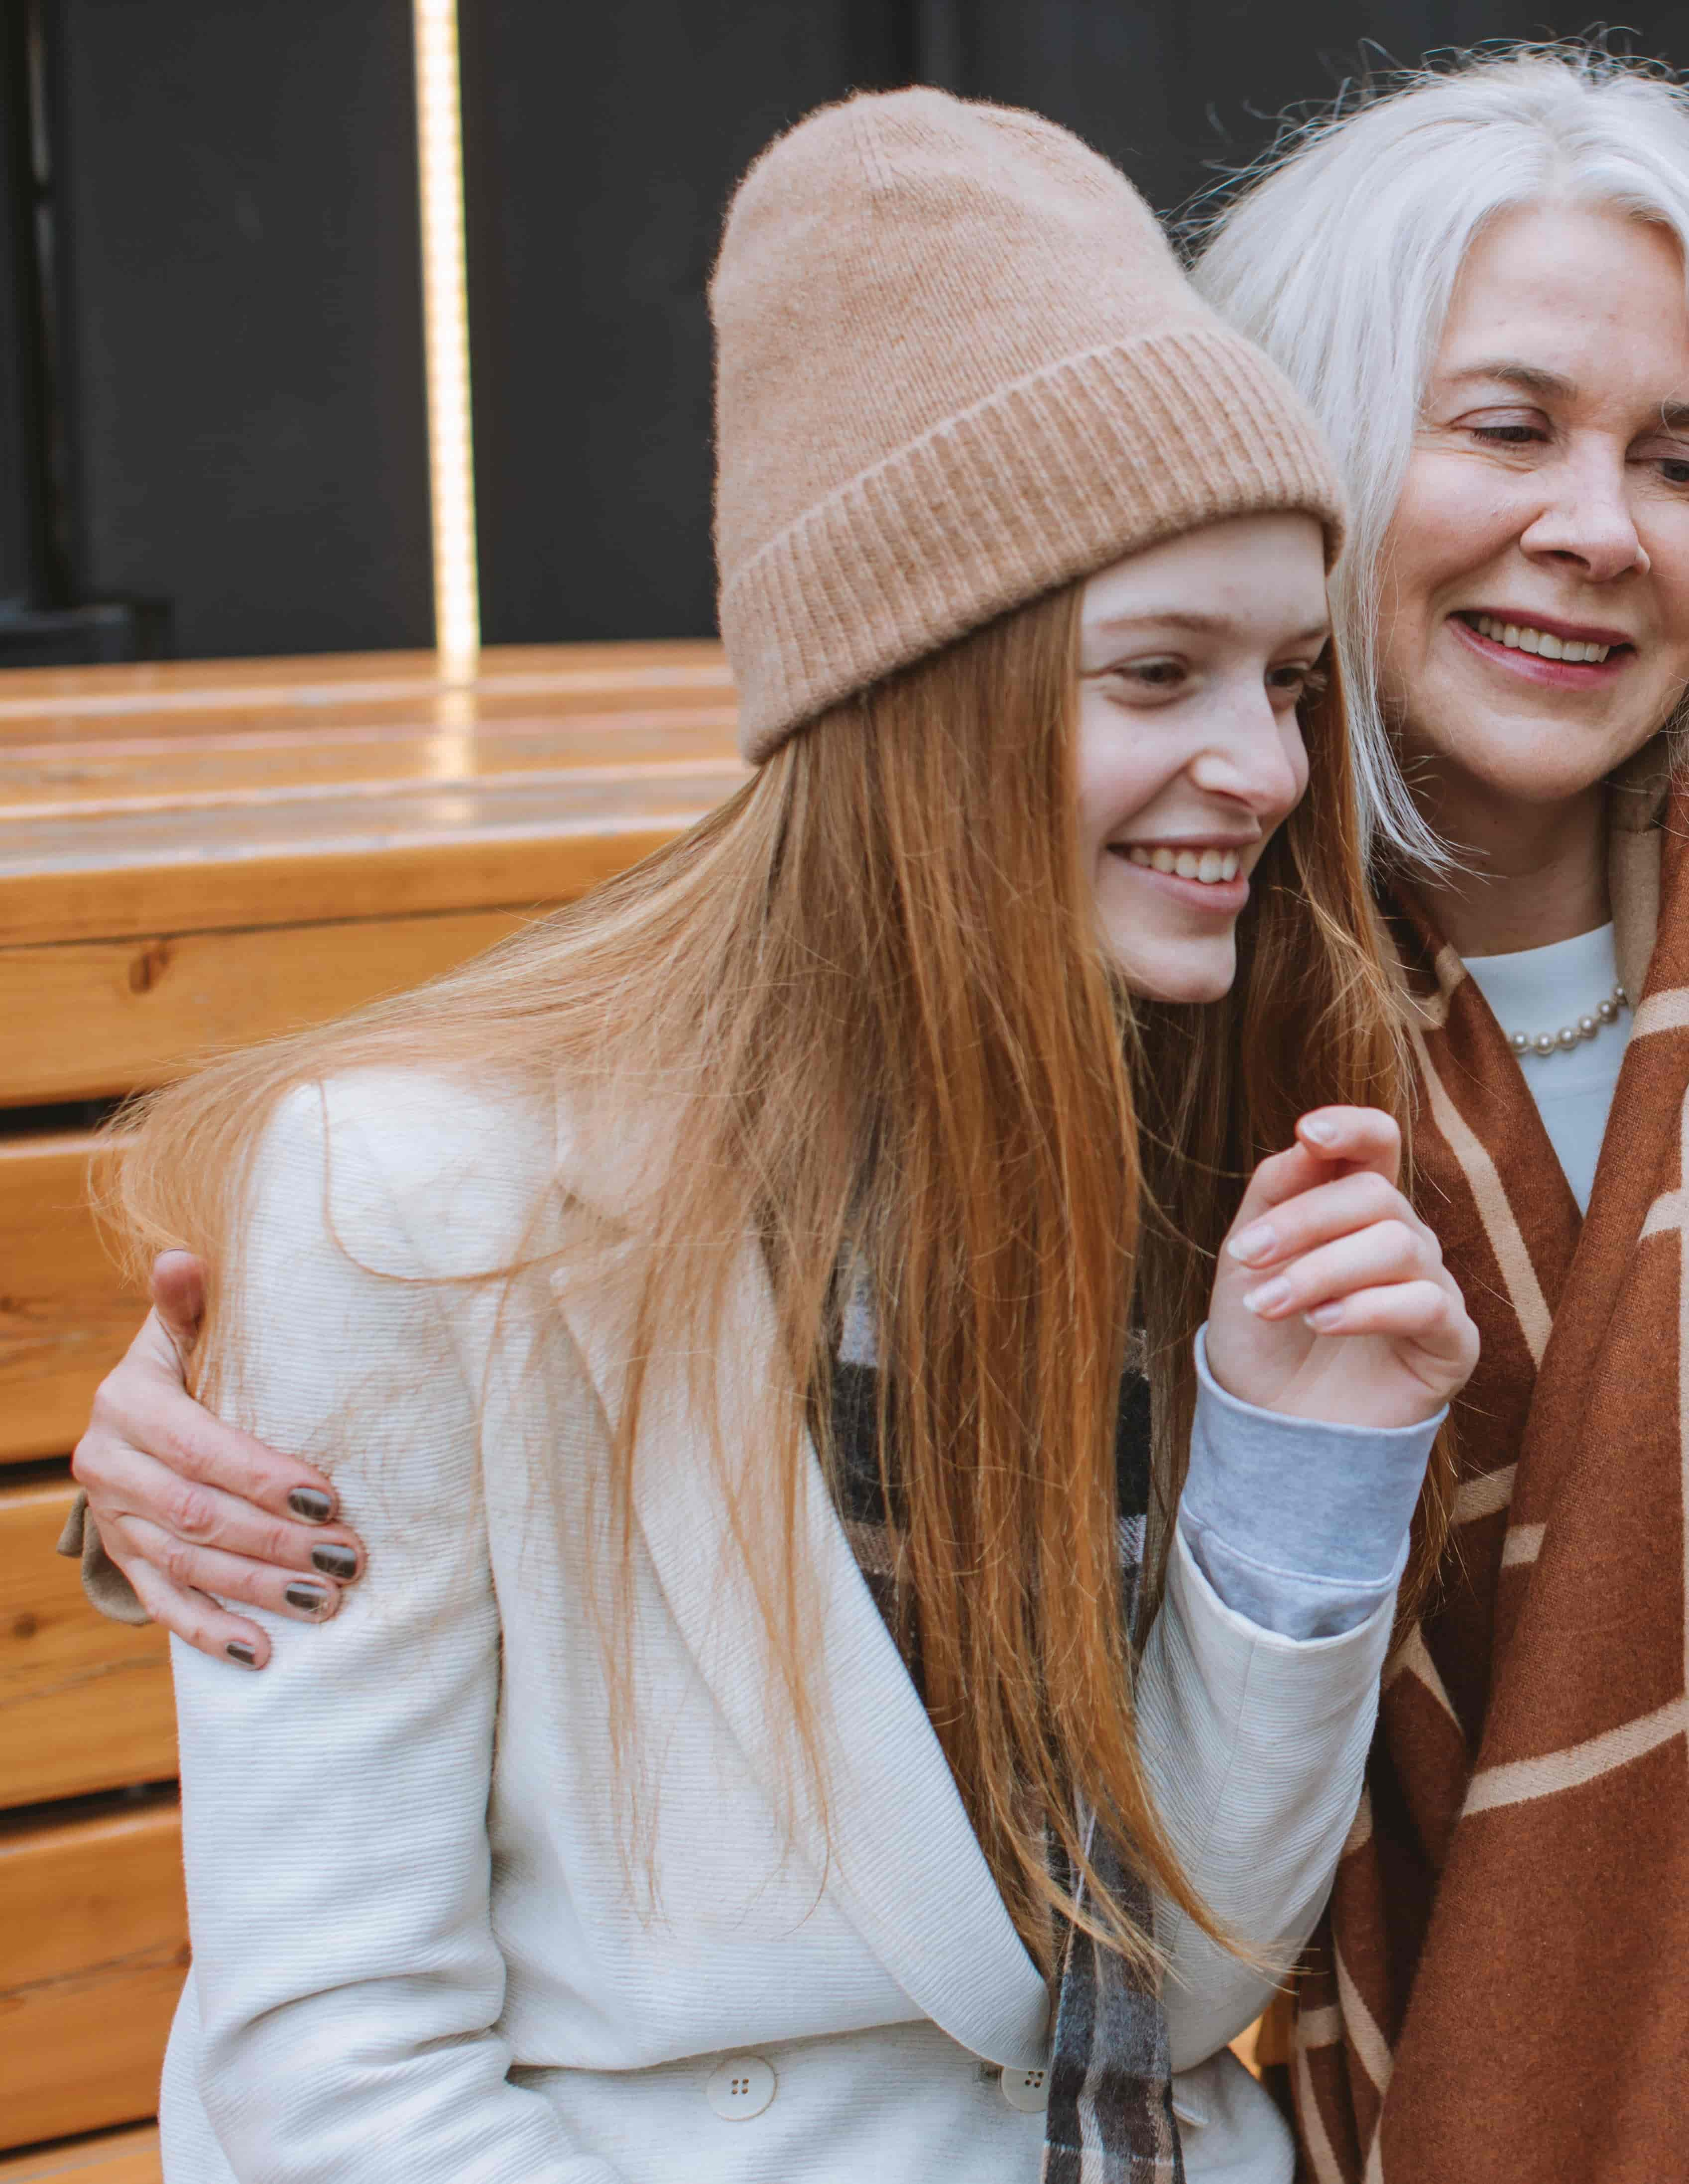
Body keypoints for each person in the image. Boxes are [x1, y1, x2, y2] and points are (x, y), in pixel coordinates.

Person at [70, 46, 1689, 2184]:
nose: (1595, 529)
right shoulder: (1154, 956)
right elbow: (707, 1272)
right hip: (1378, 2005)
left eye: (1681, 461)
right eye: (1506, 430)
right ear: (1313, 451)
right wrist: (212, 1466)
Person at [79, 90, 1475, 2184]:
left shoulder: (1213, 1122)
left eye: (1284, 679)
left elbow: (1184, 1985)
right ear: (916, 699)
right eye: (1157, 672)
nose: (1262, 765)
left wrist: (1299, 1468)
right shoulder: (421, 1200)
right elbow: (335, 2076)